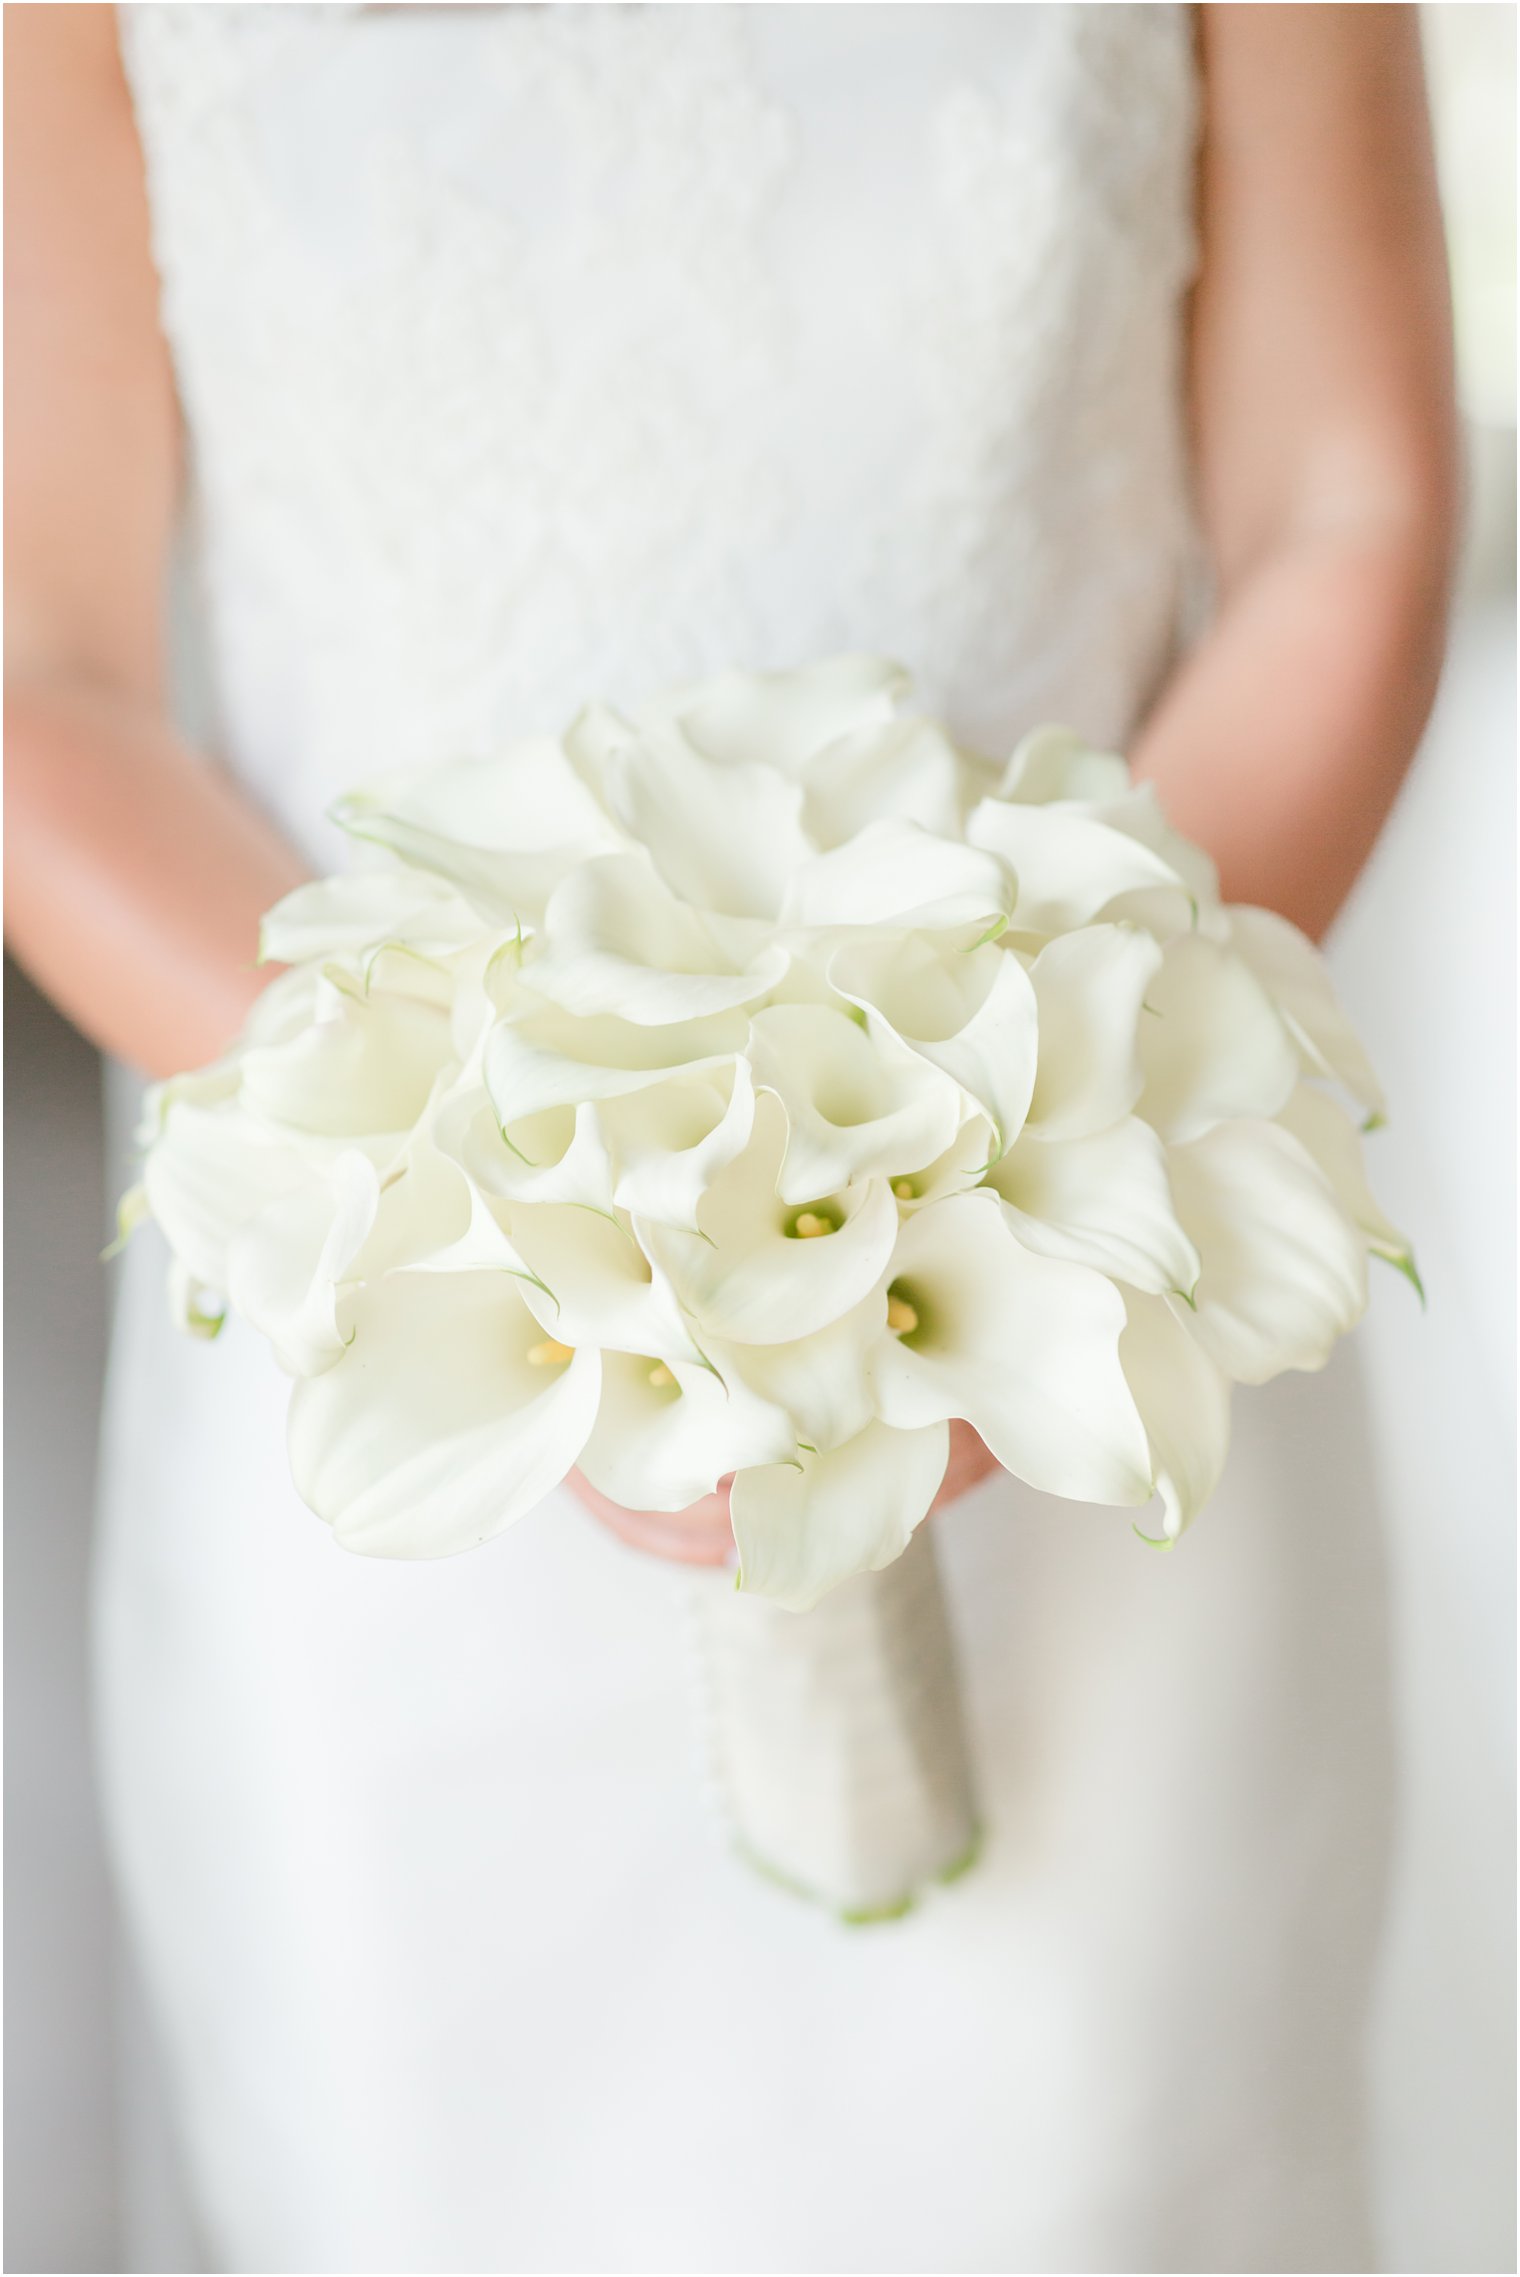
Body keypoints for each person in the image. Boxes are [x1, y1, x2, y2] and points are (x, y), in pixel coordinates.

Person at [5, 7, 1455, 2270]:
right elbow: (41, 674)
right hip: (411, 1418)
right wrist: (504, 1224)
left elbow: (1337, 506)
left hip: (1091, 1332)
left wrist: (1039, 1177)